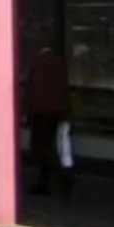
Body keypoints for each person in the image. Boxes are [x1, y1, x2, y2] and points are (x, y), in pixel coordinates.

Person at [24, 40, 74, 201]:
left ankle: (54, 177)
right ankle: (54, 178)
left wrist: (28, 112)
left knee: (40, 147)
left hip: (42, 113)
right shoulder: (58, 62)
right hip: (59, 111)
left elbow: (34, 90)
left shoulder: (38, 63)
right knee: (53, 145)